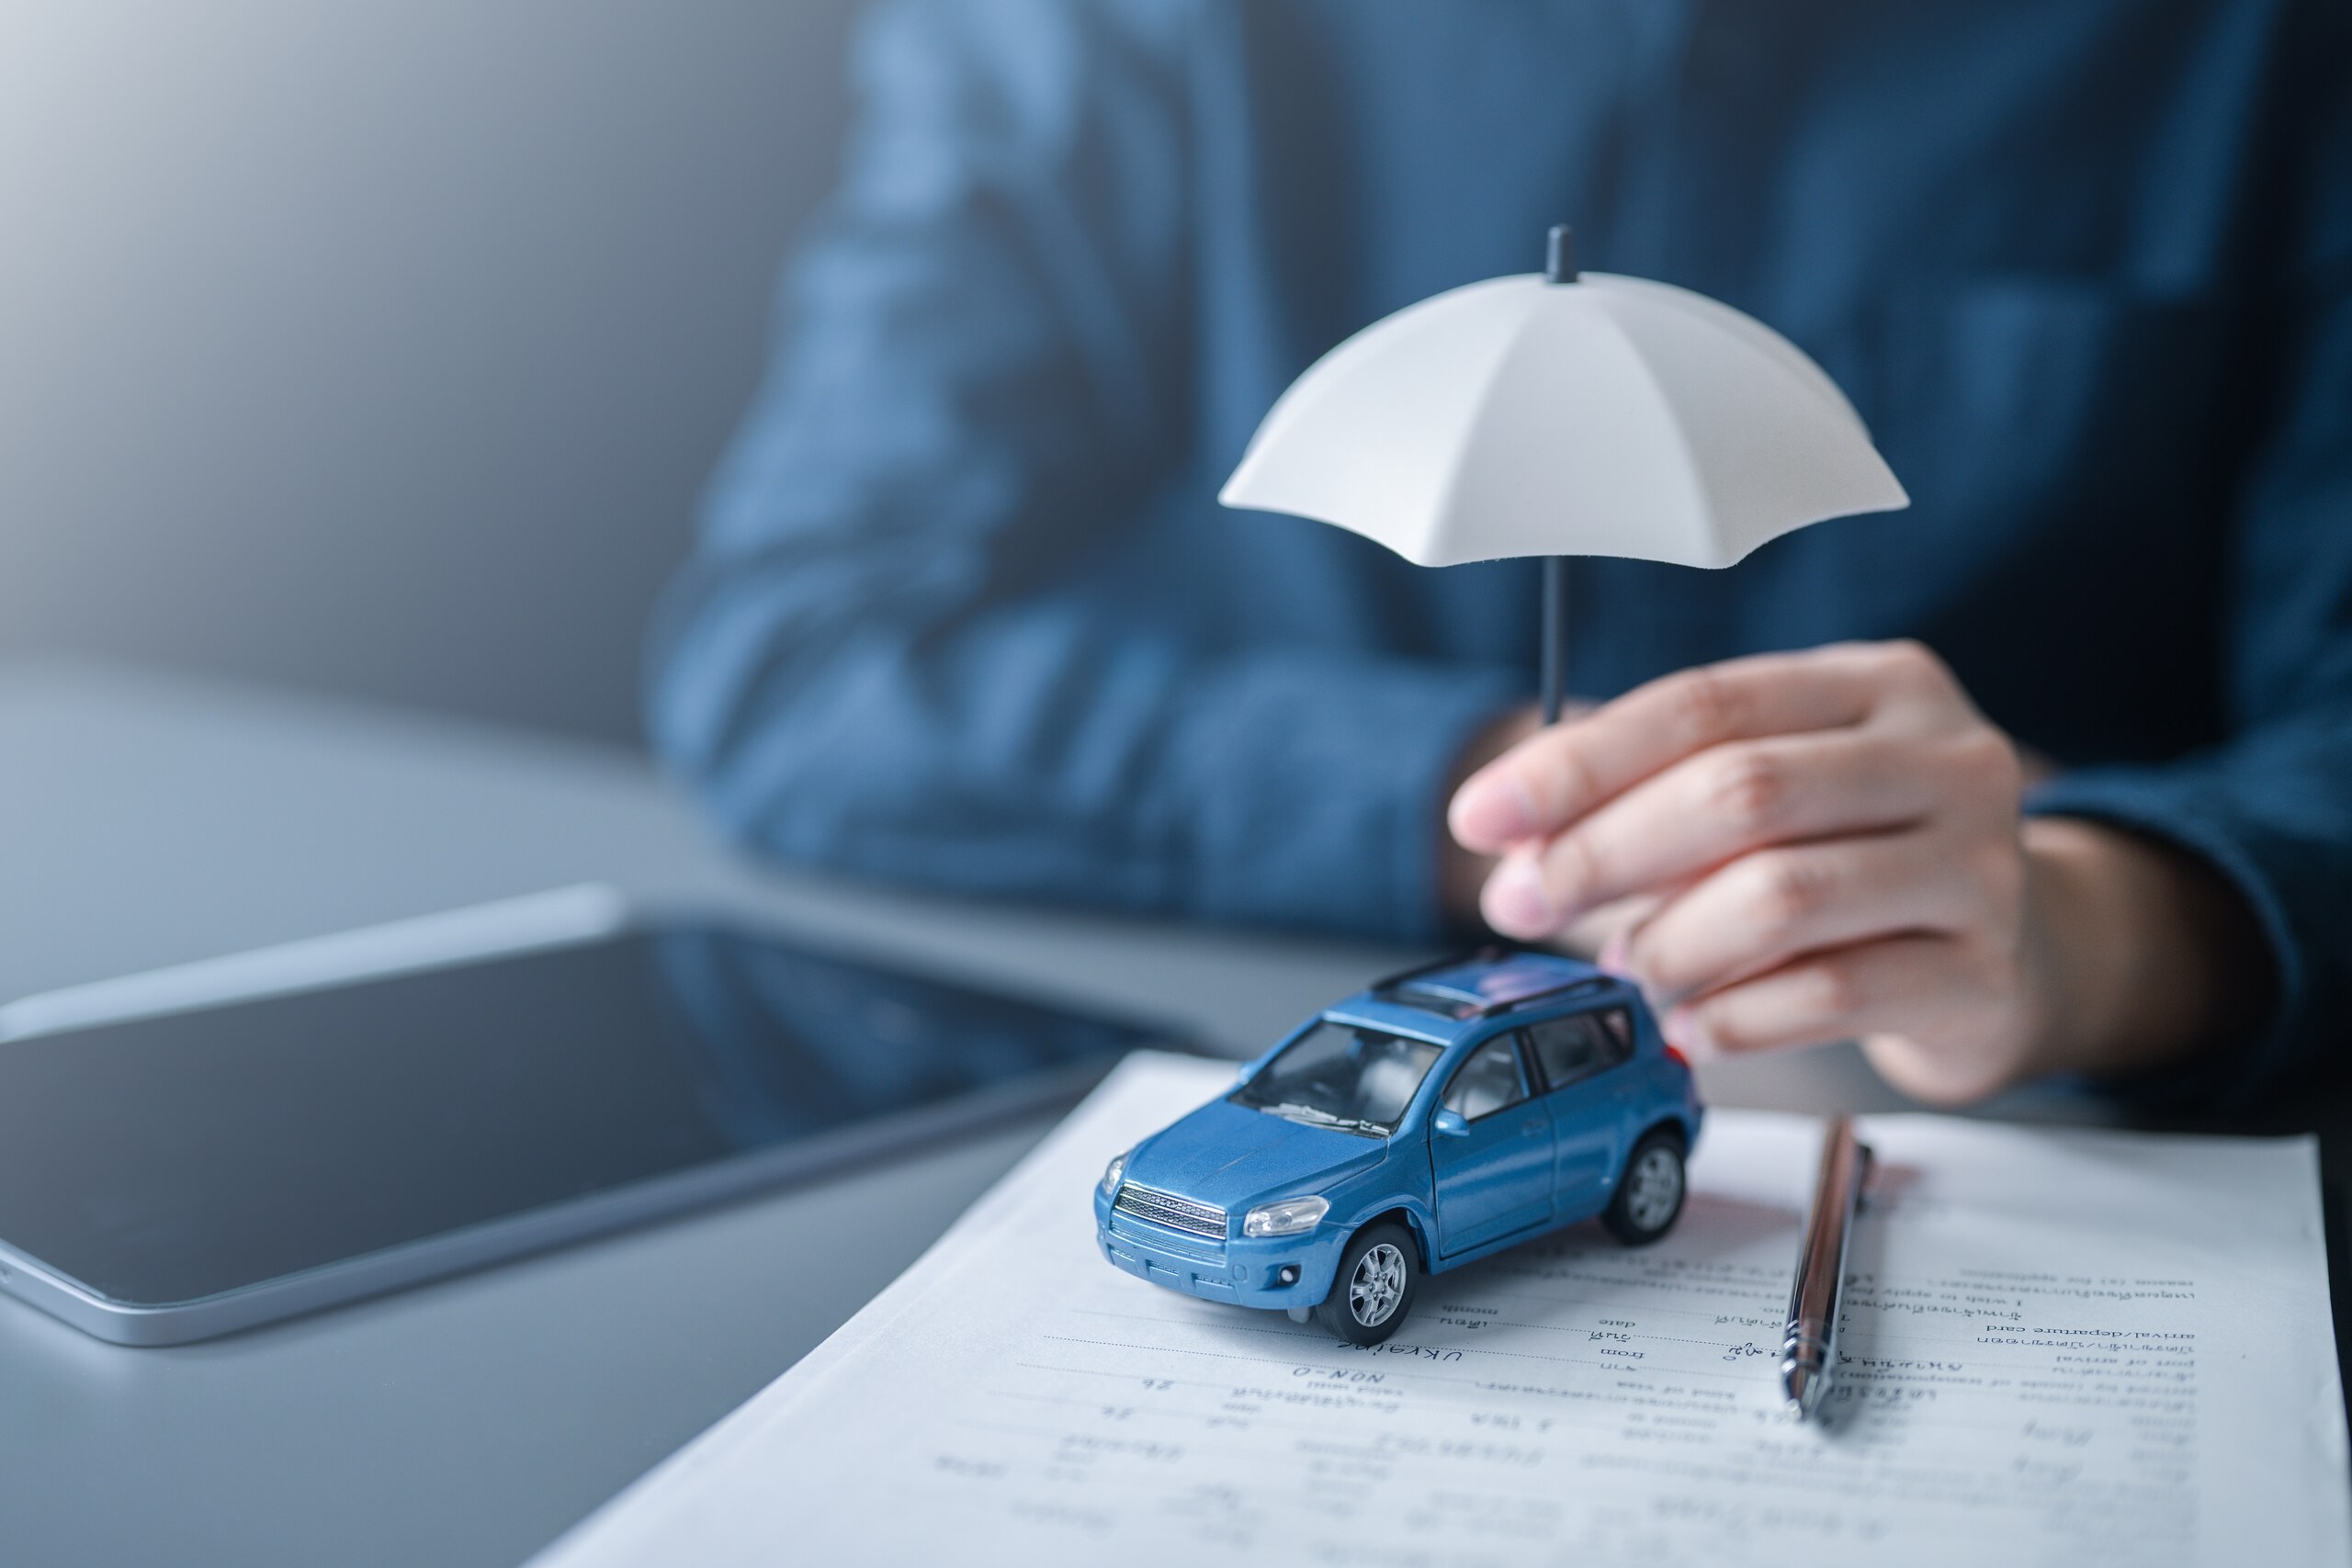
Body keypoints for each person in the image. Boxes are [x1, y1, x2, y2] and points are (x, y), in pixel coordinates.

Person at [647, 0, 2350, 1106]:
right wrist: (1489, 802)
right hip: (1302, 1037)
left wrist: (2103, 925)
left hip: (2006, 1113)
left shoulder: (2264, 53)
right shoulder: (1102, 37)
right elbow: (797, 645)